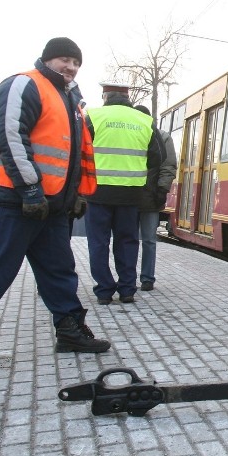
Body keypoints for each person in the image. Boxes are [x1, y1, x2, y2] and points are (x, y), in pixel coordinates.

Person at [0, 37, 110, 371]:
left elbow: (73, 155)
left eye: (76, 63)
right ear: (48, 59)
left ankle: (70, 329)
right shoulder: (24, 84)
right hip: (17, 202)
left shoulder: (72, 100)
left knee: (59, 269)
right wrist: (31, 190)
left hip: (51, 207)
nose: (71, 67)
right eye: (65, 60)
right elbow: (9, 137)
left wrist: (76, 195)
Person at [84, 84, 160, 305]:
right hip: (131, 194)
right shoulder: (144, 121)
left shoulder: (94, 117)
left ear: (105, 96)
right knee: (127, 241)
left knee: (98, 243)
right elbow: (156, 157)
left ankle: (104, 291)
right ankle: (127, 289)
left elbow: (80, 150)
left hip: (97, 192)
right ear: (128, 97)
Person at [134, 104, 177, 291]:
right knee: (132, 239)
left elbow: (168, 166)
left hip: (150, 196)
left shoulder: (163, 137)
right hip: (130, 196)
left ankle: (147, 278)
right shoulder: (131, 135)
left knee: (148, 239)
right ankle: (128, 277)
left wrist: (162, 190)